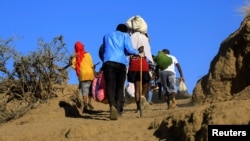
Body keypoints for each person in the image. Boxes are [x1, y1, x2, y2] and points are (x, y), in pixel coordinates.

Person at [102, 23, 140, 120]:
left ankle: (112, 106)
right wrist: (137, 51)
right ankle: (118, 110)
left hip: (108, 62)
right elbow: (129, 49)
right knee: (119, 87)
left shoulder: (106, 35)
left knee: (110, 85)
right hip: (121, 63)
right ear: (125, 31)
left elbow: (105, 49)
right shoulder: (125, 36)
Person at [127, 30, 154, 113]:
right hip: (143, 67)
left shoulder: (130, 40)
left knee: (137, 88)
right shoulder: (143, 39)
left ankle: (138, 107)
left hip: (133, 67)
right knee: (146, 85)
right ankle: (142, 97)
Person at [71, 41, 95, 113]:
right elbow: (91, 65)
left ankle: (85, 106)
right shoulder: (88, 54)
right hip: (90, 74)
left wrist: (72, 58)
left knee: (85, 92)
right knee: (90, 90)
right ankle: (89, 102)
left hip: (83, 76)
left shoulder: (75, 56)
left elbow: (73, 66)